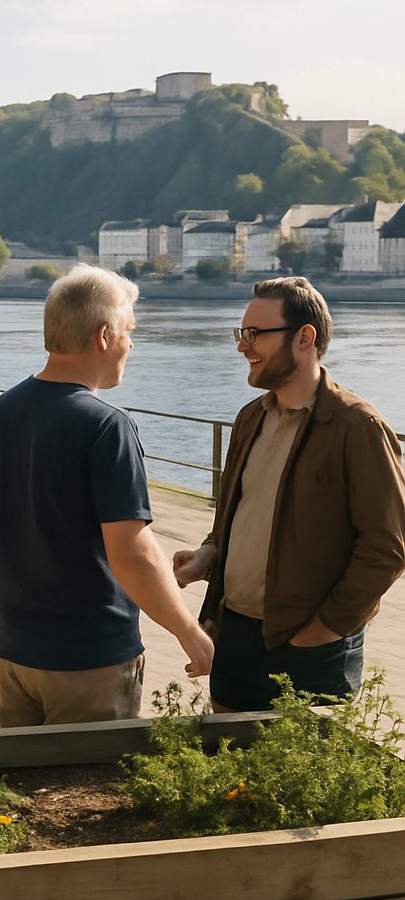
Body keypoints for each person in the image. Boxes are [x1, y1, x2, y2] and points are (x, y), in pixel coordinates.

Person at [0, 266, 213, 727]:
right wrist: (190, 633)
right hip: (90, 658)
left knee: (25, 793)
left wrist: (32, 589)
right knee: (87, 791)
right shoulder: (106, 426)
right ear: (104, 335)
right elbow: (132, 553)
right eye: (129, 332)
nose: (131, 345)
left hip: (15, 652)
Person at [173, 277, 405, 713]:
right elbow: (237, 515)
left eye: (255, 334)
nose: (243, 346)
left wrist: (322, 630)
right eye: (241, 334)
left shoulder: (359, 429)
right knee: (225, 776)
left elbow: (387, 548)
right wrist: (210, 553)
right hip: (235, 636)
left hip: (311, 651)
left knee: (297, 778)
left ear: (304, 337)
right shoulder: (250, 419)